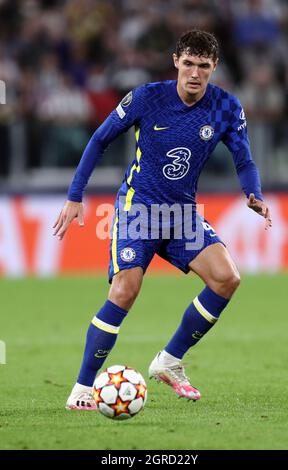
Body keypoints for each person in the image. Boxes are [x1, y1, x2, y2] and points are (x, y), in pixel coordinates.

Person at [53, 30, 272, 409]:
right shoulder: (146, 98)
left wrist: (253, 192)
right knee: (125, 290)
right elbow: (99, 139)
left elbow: (245, 159)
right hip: (138, 209)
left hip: (181, 214)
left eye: (203, 66)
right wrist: (75, 195)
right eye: (188, 63)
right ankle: (82, 389)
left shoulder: (226, 108)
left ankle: (169, 361)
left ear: (214, 67)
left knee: (226, 278)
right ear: (175, 61)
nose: (194, 73)